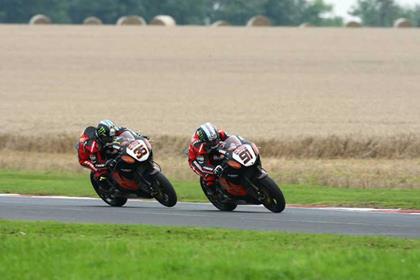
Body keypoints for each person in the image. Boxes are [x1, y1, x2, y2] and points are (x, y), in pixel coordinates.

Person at [77, 119, 145, 183]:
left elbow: (124, 130)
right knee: (101, 173)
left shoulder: (110, 131)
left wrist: (137, 136)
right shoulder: (93, 146)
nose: (111, 138)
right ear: (103, 136)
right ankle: (109, 186)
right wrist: (106, 164)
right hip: (86, 159)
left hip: (100, 145)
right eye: (109, 137)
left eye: (112, 136)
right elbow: (96, 163)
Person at [188, 122, 229, 192]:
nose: (215, 142)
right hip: (197, 159)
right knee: (209, 176)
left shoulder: (219, 133)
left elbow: (230, 139)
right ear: (204, 141)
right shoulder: (198, 146)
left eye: (216, 140)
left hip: (210, 150)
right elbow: (203, 165)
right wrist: (213, 170)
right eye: (212, 142)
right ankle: (213, 191)